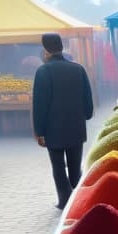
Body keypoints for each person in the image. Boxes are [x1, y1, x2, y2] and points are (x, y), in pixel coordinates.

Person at [32, 33, 94, 210]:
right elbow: (87, 98)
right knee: (75, 166)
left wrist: (39, 131)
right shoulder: (78, 69)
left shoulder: (43, 71)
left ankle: (64, 201)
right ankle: (79, 199)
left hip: (53, 130)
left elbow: (40, 103)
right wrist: (87, 115)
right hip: (76, 127)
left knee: (58, 167)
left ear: (45, 50)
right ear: (61, 47)